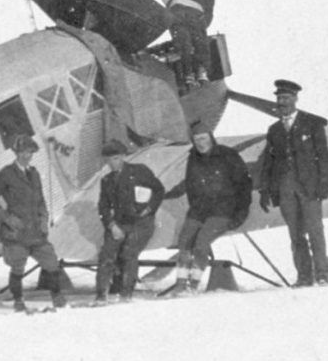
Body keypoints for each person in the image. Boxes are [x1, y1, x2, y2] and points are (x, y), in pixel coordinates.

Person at [257, 80, 328, 286]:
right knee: (296, 234)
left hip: (309, 187)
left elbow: (323, 156)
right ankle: (304, 276)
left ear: (295, 99)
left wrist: (324, 183)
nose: (282, 102)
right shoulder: (274, 130)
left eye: (286, 98)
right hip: (285, 189)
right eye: (279, 98)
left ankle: (322, 274)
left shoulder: (313, 124)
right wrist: (265, 190)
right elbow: (269, 162)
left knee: (315, 231)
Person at [0, 134, 67, 311]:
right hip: (16, 231)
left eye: (30, 152)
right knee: (17, 267)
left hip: (36, 231)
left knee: (51, 262)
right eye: (23, 152)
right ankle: (18, 301)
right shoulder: (6, 174)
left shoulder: (34, 174)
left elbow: (40, 201)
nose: (26, 155)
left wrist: (44, 218)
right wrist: (6, 218)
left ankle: (57, 298)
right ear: (16, 153)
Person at [174, 121, 252, 294]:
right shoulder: (193, 158)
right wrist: (195, 207)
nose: (200, 143)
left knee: (201, 243)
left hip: (223, 210)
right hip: (199, 210)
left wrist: (241, 213)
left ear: (211, 137)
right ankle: (180, 284)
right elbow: (190, 185)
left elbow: (244, 185)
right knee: (184, 241)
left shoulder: (228, 155)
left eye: (203, 138)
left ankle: (193, 285)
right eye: (196, 140)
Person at [94, 139, 165, 303]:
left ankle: (126, 294)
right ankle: (101, 295)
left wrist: (149, 209)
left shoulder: (139, 171)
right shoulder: (106, 180)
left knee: (129, 253)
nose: (112, 163)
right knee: (106, 255)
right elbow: (103, 207)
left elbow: (159, 190)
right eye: (108, 160)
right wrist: (111, 225)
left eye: (115, 159)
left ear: (123, 157)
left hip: (141, 223)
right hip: (119, 223)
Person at [166, 0, 215, 90]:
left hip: (175, 6)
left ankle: (188, 75)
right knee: (201, 45)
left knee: (183, 44)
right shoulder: (207, 6)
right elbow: (203, 27)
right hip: (194, 9)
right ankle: (201, 72)